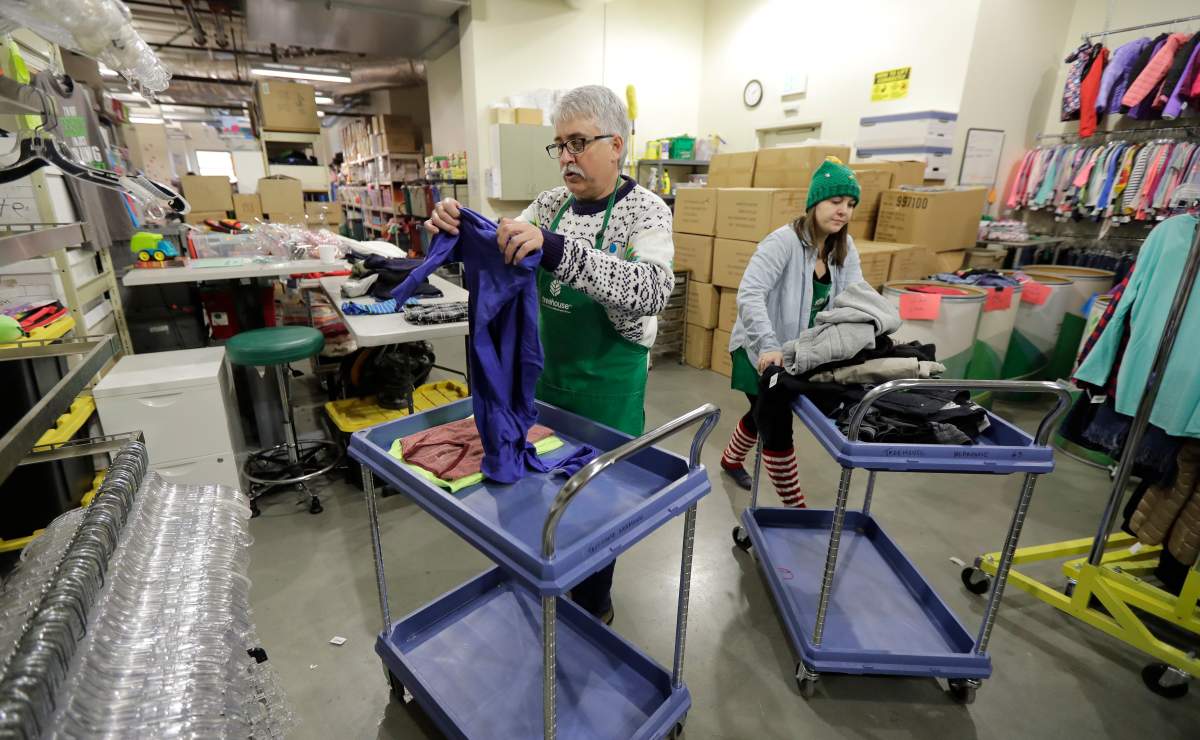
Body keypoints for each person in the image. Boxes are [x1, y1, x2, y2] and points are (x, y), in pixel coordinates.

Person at [424, 85, 674, 624]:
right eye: (559, 144)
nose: (565, 157)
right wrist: (457, 223)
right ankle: (545, 598)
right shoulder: (548, 206)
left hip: (608, 396)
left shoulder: (645, 212)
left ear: (618, 145)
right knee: (542, 508)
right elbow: (502, 242)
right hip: (542, 390)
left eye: (579, 142)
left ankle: (593, 611)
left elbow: (652, 290)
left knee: (598, 516)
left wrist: (558, 251)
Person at [719, 158, 863, 506]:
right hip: (758, 348)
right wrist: (769, 346)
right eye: (835, 201)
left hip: (799, 353)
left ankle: (730, 458)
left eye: (850, 204)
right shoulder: (781, 242)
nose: (843, 211)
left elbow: (857, 298)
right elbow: (750, 295)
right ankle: (795, 507)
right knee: (775, 419)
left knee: (759, 413)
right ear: (814, 203)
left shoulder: (844, 249)